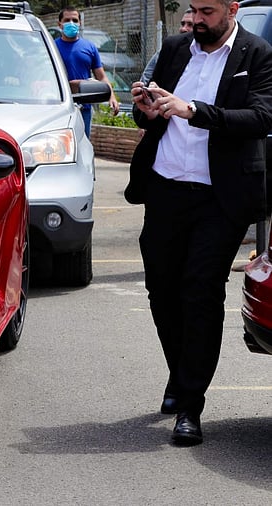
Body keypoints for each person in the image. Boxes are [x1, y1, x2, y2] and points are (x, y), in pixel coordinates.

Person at [126, 0, 272, 446]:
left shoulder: (257, 54)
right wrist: (146, 109)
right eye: (193, 10)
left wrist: (195, 111)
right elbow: (150, 116)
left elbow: (262, 117)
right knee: (162, 289)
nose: (198, 20)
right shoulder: (175, 48)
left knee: (201, 291)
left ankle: (190, 405)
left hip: (219, 197)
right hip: (166, 189)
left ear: (232, 9)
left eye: (207, 11)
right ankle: (181, 373)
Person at [54, 6, 120, 137]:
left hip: (84, 108)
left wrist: (111, 97)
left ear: (80, 23)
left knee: (83, 146)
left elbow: (101, 77)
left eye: (75, 20)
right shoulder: (52, 47)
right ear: (59, 24)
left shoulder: (90, 47)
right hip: (60, 106)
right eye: (67, 20)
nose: (71, 23)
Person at [141, 8, 194, 83]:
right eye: (182, 24)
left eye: (190, 25)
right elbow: (147, 77)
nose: (183, 29)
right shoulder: (168, 51)